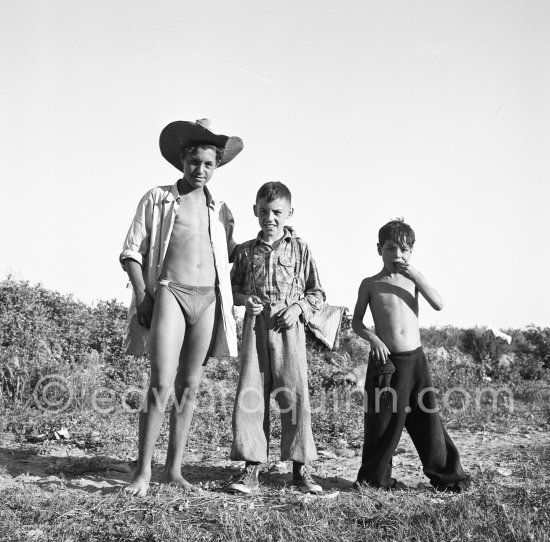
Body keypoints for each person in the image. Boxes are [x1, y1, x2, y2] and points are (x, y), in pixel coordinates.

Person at [120, 119, 243, 497]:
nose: (201, 170)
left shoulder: (220, 209)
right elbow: (131, 251)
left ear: (217, 166)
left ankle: (173, 469)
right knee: (161, 383)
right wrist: (143, 294)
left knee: (189, 386)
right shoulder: (158, 198)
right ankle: (142, 472)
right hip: (170, 292)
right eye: (195, 162)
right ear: (182, 158)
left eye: (209, 164)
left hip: (207, 298)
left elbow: (232, 254)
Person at [352, 218, 470, 492]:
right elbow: (356, 322)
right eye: (391, 248)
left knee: (427, 419)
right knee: (382, 422)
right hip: (386, 364)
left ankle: (448, 477)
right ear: (379, 248)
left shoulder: (414, 280)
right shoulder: (370, 283)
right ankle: (374, 480)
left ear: (412, 251)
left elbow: (439, 304)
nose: (398, 255)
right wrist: (373, 339)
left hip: (415, 362)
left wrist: (416, 276)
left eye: (404, 249)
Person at [226, 181, 325, 494]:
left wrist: (297, 308)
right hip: (256, 327)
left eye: (277, 212)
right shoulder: (244, 251)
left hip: (289, 328)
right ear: (255, 211)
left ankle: (300, 471)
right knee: (251, 395)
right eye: (264, 211)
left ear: (290, 213)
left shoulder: (301, 248)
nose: (270, 217)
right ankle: (251, 469)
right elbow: (234, 290)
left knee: (294, 396)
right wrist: (246, 302)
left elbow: (317, 293)